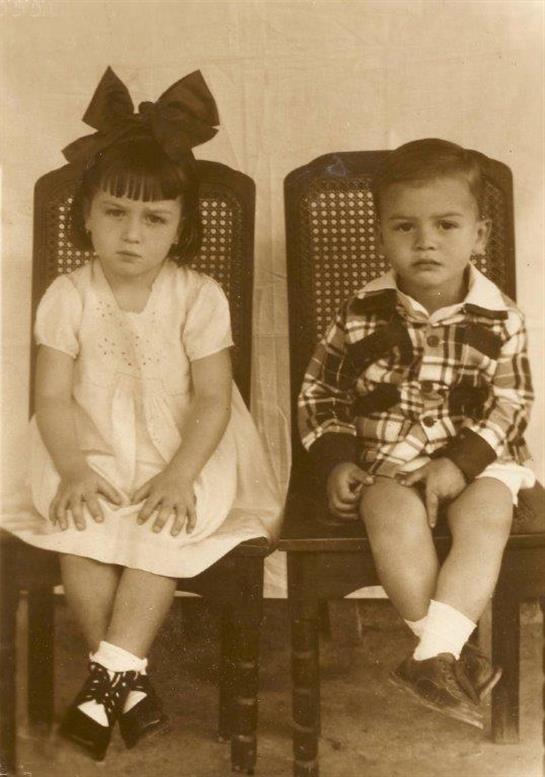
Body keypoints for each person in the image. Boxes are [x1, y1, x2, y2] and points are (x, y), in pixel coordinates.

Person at [4, 67, 281, 760]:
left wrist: (183, 474)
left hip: (185, 453)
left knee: (163, 525)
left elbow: (214, 398)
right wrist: (70, 468)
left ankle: (105, 685)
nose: (132, 234)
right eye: (114, 213)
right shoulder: (67, 294)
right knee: (81, 521)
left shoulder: (197, 295)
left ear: (181, 227)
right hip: (85, 446)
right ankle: (124, 686)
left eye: (154, 218)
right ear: (86, 216)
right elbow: (51, 396)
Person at [298, 138, 535, 728]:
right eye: (404, 227)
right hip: (388, 462)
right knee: (389, 512)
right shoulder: (359, 312)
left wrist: (459, 464)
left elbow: (514, 402)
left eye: (445, 225)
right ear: (381, 235)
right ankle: (445, 654)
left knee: (487, 514)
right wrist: (336, 460)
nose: (424, 241)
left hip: (477, 461)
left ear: (479, 235)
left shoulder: (502, 318)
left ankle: (431, 655)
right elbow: (321, 394)